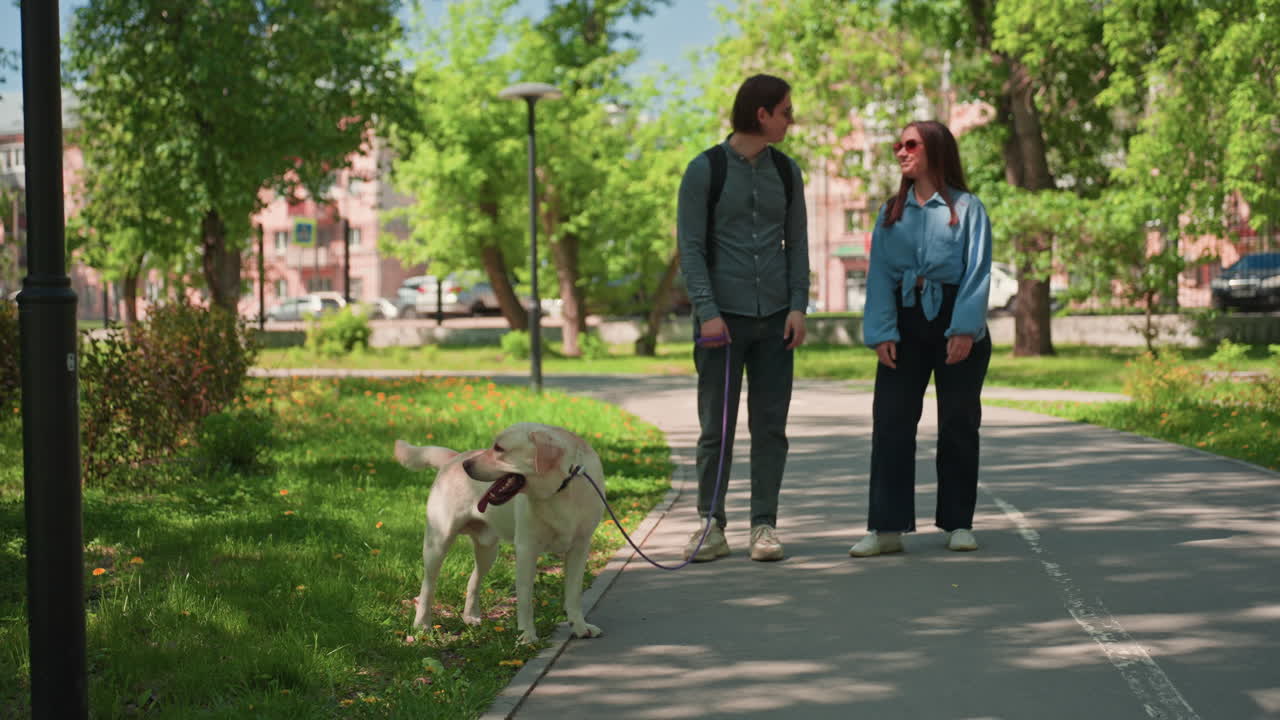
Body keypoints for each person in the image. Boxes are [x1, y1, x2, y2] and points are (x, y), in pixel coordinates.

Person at [675, 74, 809, 563]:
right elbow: (689, 248)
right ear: (762, 114)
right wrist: (707, 312)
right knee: (718, 428)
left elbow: (797, 243)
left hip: (776, 319)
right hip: (721, 323)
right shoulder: (705, 169)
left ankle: (764, 527)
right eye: (786, 112)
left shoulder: (788, 173)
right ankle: (711, 525)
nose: (791, 120)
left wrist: (798, 305)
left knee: (771, 428)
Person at [849, 120, 993, 558]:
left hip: (955, 319)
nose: (900, 151)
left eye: (910, 144)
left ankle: (958, 523)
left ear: (935, 149)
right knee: (891, 420)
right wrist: (881, 332)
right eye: (898, 145)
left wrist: (965, 329)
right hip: (905, 322)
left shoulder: (969, 209)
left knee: (958, 422)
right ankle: (886, 527)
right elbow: (878, 278)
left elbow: (977, 271)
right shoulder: (891, 211)